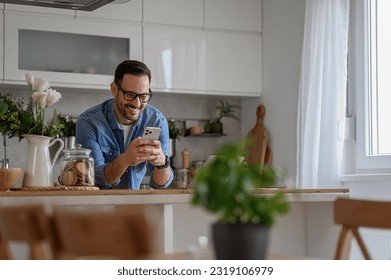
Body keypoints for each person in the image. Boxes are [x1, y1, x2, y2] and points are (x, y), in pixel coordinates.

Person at [76, 60, 173, 190]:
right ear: (114, 89)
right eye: (130, 95)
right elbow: (93, 179)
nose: (137, 103)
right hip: (97, 205)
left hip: (133, 204)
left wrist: (162, 163)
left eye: (143, 96)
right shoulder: (89, 122)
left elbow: (161, 184)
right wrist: (126, 159)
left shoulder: (157, 121)